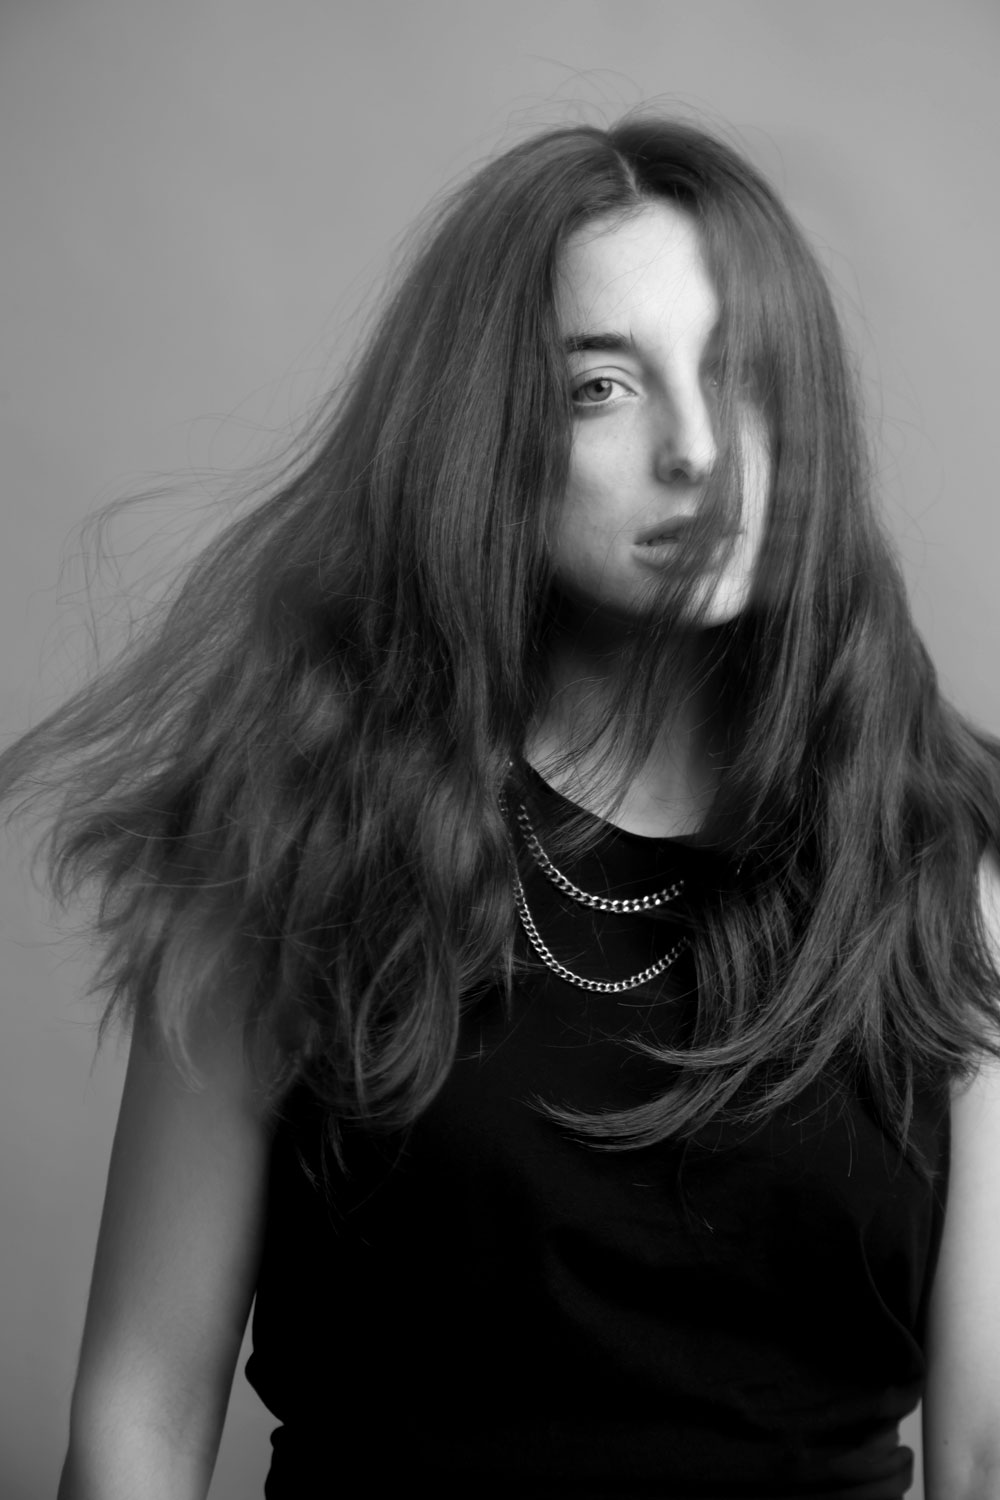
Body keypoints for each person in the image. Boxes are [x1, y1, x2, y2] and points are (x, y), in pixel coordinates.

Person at [4, 115, 1000, 1500]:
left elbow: (985, 1446)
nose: (698, 449)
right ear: (485, 437)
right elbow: (141, 1419)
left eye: (742, 374)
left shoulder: (951, 866)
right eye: (604, 387)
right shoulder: (289, 836)